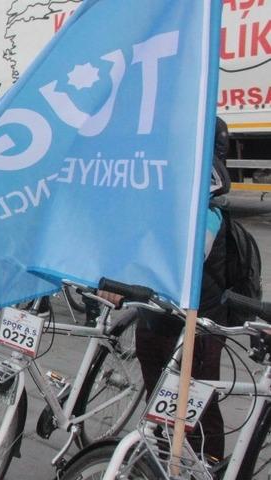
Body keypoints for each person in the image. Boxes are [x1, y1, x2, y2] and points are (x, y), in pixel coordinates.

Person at [98, 117, 233, 462]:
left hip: (198, 325)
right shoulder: (158, 192)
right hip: (154, 318)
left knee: (199, 409)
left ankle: (209, 466)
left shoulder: (209, 209)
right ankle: (161, 465)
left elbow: (182, 262)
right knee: (158, 407)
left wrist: (130, 280)